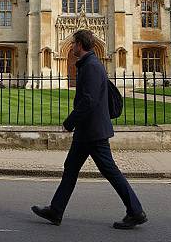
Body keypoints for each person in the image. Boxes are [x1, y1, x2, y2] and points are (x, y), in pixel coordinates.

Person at [31, 29, 147, 230]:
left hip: (93, 131)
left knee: (110, 171)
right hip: (87, 131)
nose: (73, 46)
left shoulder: (92, 66)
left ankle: (136, 211)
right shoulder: (89, 64)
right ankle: (56, 210)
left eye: (74, 43)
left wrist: (69, 122)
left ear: (79, 45)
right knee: (71, 169)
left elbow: (89, 100)